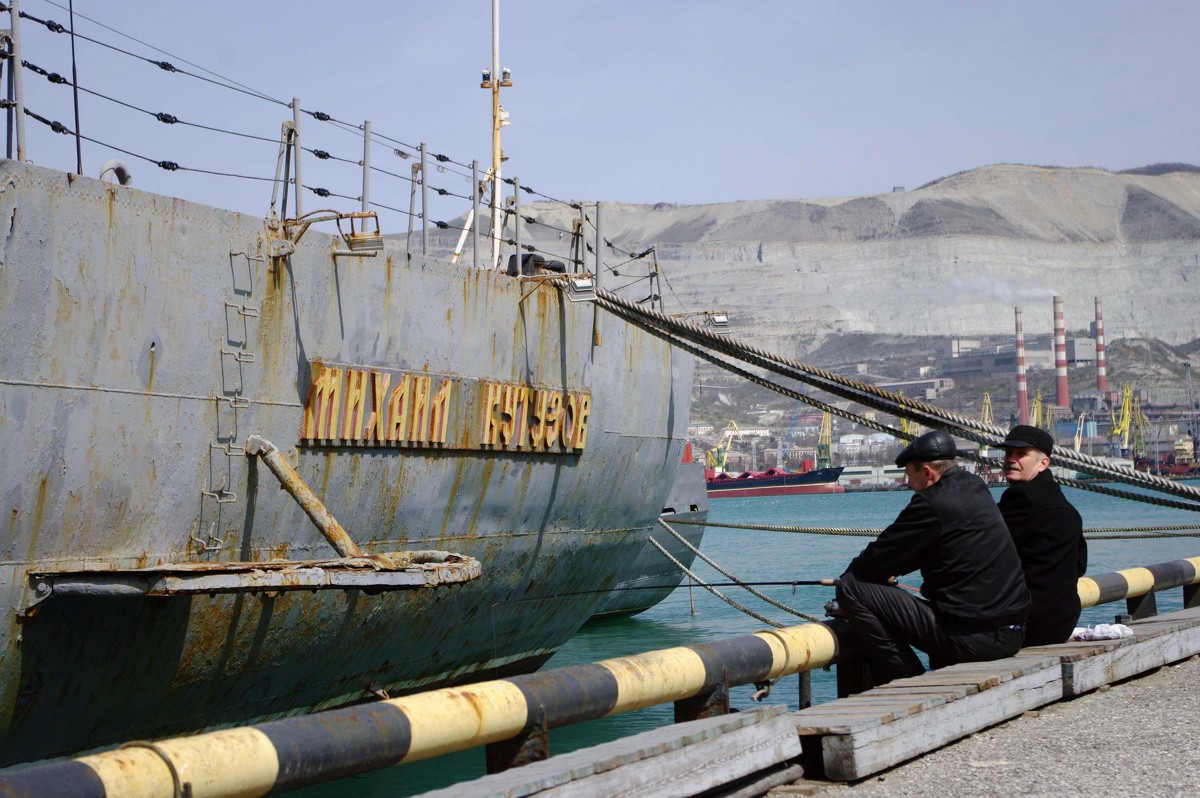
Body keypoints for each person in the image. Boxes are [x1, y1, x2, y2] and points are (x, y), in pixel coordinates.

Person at [835, 429, 1031, 685]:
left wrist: (876, 574)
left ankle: (907, 682)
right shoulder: (975, 486)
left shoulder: (932, 503)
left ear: (927, 472)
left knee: (850, 588)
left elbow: (873, 561)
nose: (907, 482)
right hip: (1013, 633)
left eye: (909, 474)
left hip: (975, 640)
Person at [995, 424, 1087, 646]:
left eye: (1022, 454)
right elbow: (1079, 566)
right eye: (1008, 453)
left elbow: (988, 552)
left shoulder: (1021, 500)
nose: (1011, 459)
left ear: (1043, 463)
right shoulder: (1064, 506)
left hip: (1027, 625)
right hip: (1061, 623)